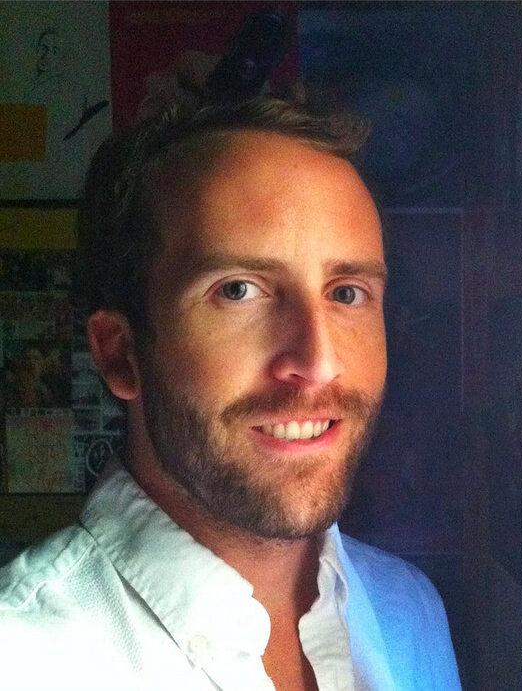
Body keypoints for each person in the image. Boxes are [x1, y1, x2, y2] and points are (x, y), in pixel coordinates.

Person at [0, 92, 462, 691]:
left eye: (346, 293)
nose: (318, 363)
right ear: (121, 353)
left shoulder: (410, 613)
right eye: (239, 290)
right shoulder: (22, 658)